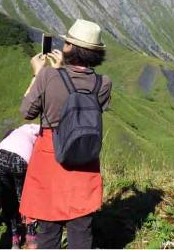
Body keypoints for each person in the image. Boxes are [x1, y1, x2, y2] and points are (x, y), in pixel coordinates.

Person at [19, 19, 112, 249]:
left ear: (71, 48)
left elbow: (27, 113)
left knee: (48, 227)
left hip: (51, 154)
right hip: (85, 155)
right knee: (81, 226)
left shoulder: (47, 76)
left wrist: (37, 74)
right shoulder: (103, 83)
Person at [0, 123, 40, 249]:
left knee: (8, 196)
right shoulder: (36, 130)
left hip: (0, 156)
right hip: (20, 159)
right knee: (25, 197)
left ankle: (14, 237)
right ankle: (31, 236)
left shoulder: (13, 133)